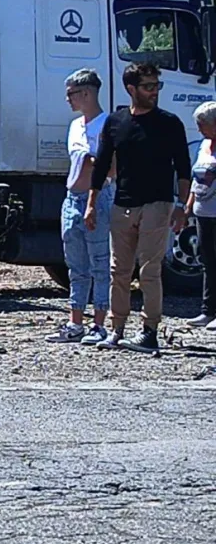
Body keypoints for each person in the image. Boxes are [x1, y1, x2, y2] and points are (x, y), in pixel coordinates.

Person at [86, 63, 190, 353]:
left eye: (157, 86)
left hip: (157, 204)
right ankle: (117, 328)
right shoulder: (116, 122)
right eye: (148, 86)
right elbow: (102, 163)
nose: (154, 92)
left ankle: (149, 331)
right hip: (123, 204)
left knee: (149, 270)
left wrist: (182, 206)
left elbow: (183, 167)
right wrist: (92, 204)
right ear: (131, 89)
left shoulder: (170, 123)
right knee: (118, 270)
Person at [46, 69, 114, 345]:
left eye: (71, 94)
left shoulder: (108, 124)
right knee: (75, 263)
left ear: (86, 93)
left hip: (97, 197)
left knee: (99, 260)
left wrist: (93, 197)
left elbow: (112, 165)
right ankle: (75, 322)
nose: (68, 100)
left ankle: (99, 323)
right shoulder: (75, 126)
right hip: (72, 198)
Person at [185, 101, 216, 332]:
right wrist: (188, 206)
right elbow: (196, 181)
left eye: (202, 124)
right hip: (203, 212)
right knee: (207, 260)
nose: (199, 128)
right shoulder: (203, 145)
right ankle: (207, 310)